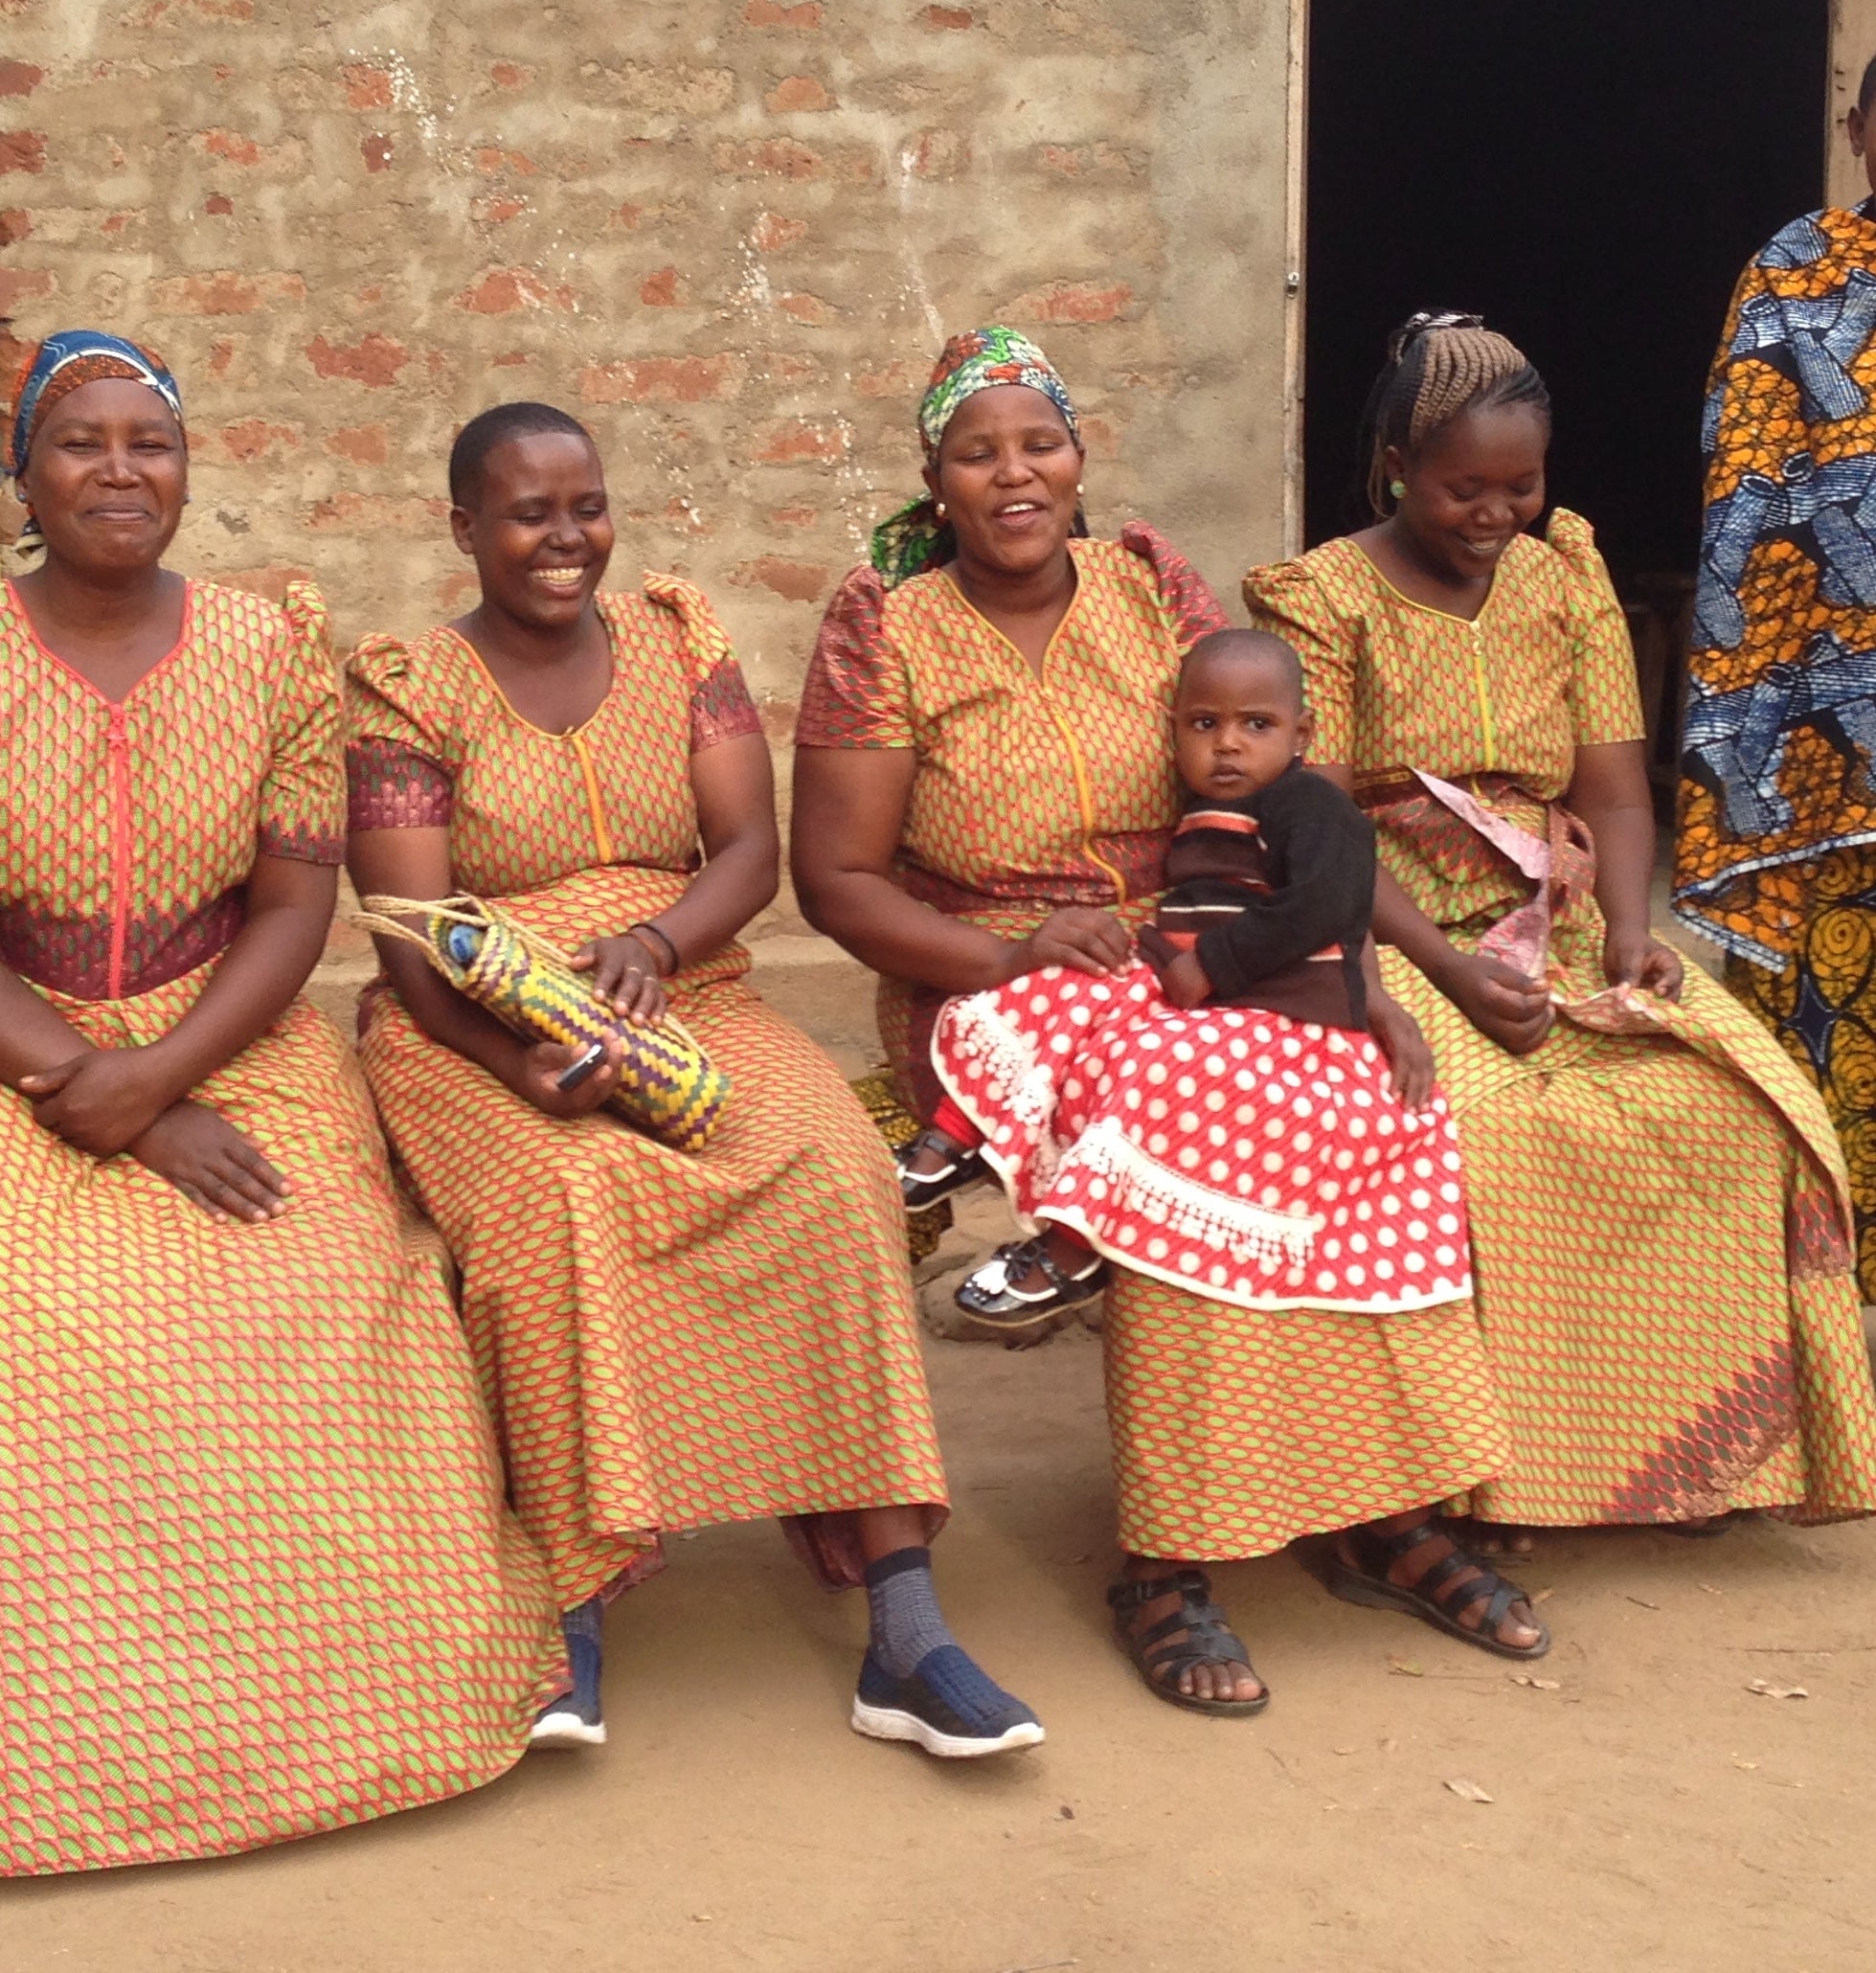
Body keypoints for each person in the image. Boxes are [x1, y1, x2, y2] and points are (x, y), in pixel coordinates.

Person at [793, 324, 1540, 1721]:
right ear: (934, 479)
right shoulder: (886, 627)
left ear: (1079, 459)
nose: (1015, 474)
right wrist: (1005, 951)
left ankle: (1381, 1508)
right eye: (978, 453)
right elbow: (835, 881)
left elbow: (1285, 801)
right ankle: (1167, 1558)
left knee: (1379, 1113)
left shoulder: (1148, 588)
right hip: (1001, 976)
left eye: (1040, 443)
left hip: (1206, 948)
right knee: (1193, 1128)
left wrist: (1373, 988)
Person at [344, 399, 1041, 1761]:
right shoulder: (408, 687)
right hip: (472, 1030)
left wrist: (660, 944)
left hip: (684, 989)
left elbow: (745, 852)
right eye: (528, 514)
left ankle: (905, 1632)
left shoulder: (676, 639)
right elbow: (413, 941)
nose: (566, 539)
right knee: (563, 1201)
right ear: (464, 527)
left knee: (834, 1171)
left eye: (586, 507)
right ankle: (569, 1609)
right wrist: (521, 1061)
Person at [0, 331, 562, 1881]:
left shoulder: (265, 645)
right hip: (21, 1037)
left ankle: (358, 1723)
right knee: (38, 1315)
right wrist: (101, 1089)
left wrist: (164, 1074)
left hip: (228, 1029)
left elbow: (294, 902)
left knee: (323, 1279)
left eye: (152, 442)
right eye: (82, 443)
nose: (122, 469)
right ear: (23, 477)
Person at [1247, 307, 1876, 1543]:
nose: (1495, 514)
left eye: (1520, 486)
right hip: (1387, 927)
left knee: (1736, 1109)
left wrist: (1634, 934)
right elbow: (1317, 824)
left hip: (1558, 912)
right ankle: (1507, 1474)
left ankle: (1686, 1455)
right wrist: (1450, 974)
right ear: (1396, 468)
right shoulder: (1321, 600)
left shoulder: (1564, 577)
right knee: (1496, 1134)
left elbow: (1616, 792)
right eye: (1463, 489)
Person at [941, 628, 1470, 1338]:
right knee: (1065, 987)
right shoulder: (1211, 811)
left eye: (1256, 725)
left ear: (1301, 734)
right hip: (1210, 995)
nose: (1227, 744)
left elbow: (1326, 903)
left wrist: (1212, 965)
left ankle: (1072, 1250)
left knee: (1157, 1068)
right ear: (1174, 732)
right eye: (1203, 725)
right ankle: (956, 1138)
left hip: (1284, 1013)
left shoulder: (1313, 805)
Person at [1675, 54, 1876, 1302]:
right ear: (1857, 130)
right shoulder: (1794, 276)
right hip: (1816, 732)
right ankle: (1817, 1303)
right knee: (1826, 1010)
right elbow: (1749, 483)